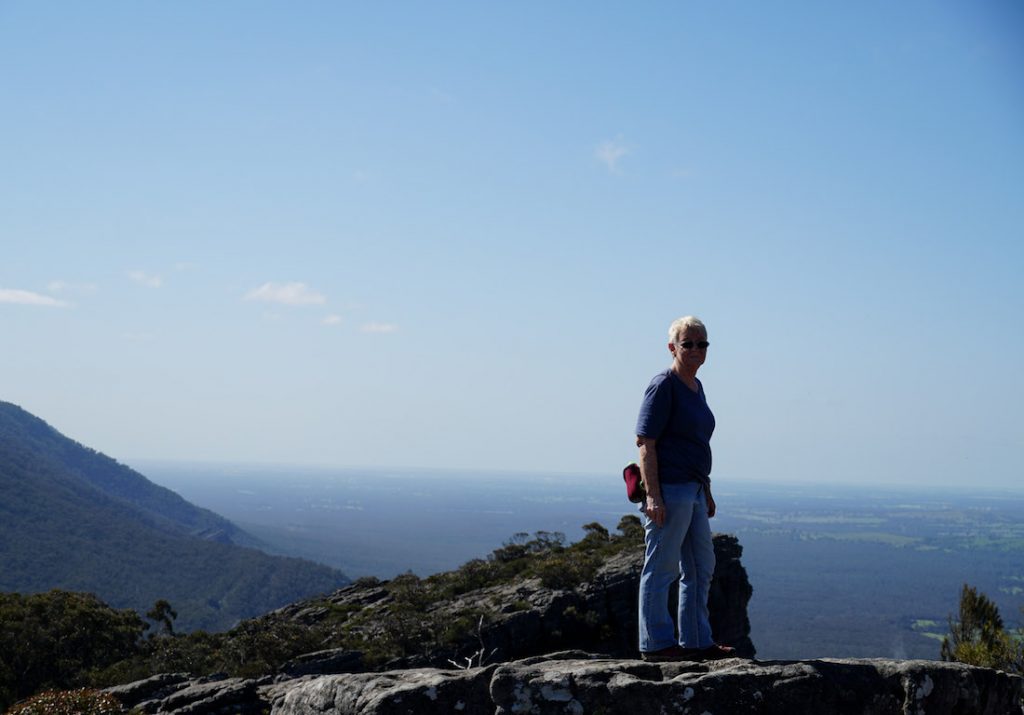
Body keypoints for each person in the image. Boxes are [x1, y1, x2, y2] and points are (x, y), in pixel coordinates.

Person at [635, 316, 735, 662]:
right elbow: (645, 442)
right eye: (688, 343)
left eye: (701, 343)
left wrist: (705, 489)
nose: (695, 349)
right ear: (672, 347)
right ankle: (656, 644)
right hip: (670, 489)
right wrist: (653, 495)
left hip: (692, 489)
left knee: (699, 566)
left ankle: (696, 641)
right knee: (661, 567)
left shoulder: (697, 386)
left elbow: (694, 443)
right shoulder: (664, 384)